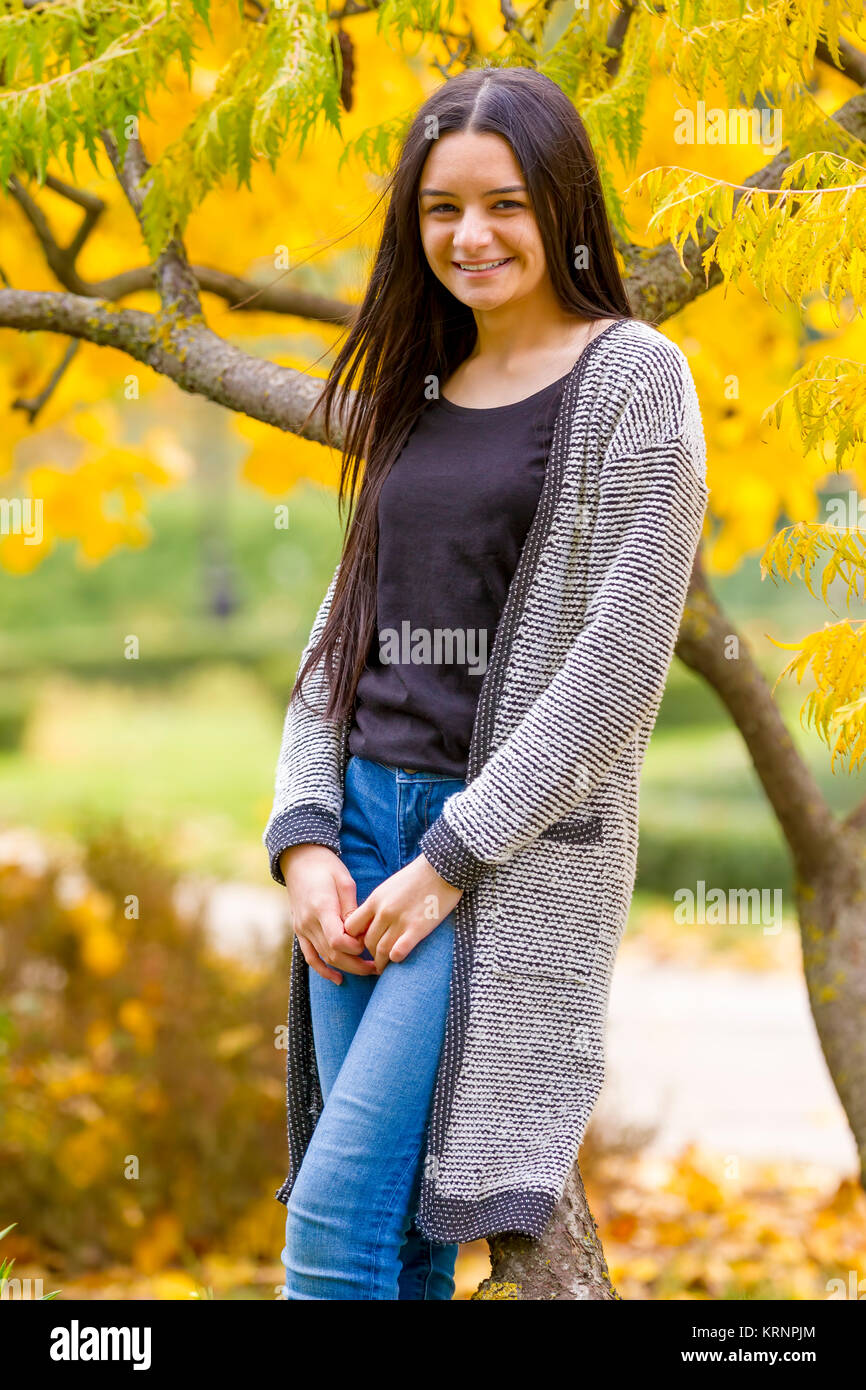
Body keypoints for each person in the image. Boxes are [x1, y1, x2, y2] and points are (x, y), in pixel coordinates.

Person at [263, 64, 709, 1300]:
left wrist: (451, 856)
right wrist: (303, 837)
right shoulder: (413, 385)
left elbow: (614, 672)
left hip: (496, 860)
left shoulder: (634, 382)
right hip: (359, 834)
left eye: (504, 203)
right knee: (393, 1236)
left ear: (561, 205)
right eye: (440, 209)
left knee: (336, 1220)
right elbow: (334, 641)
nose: (470, 236)